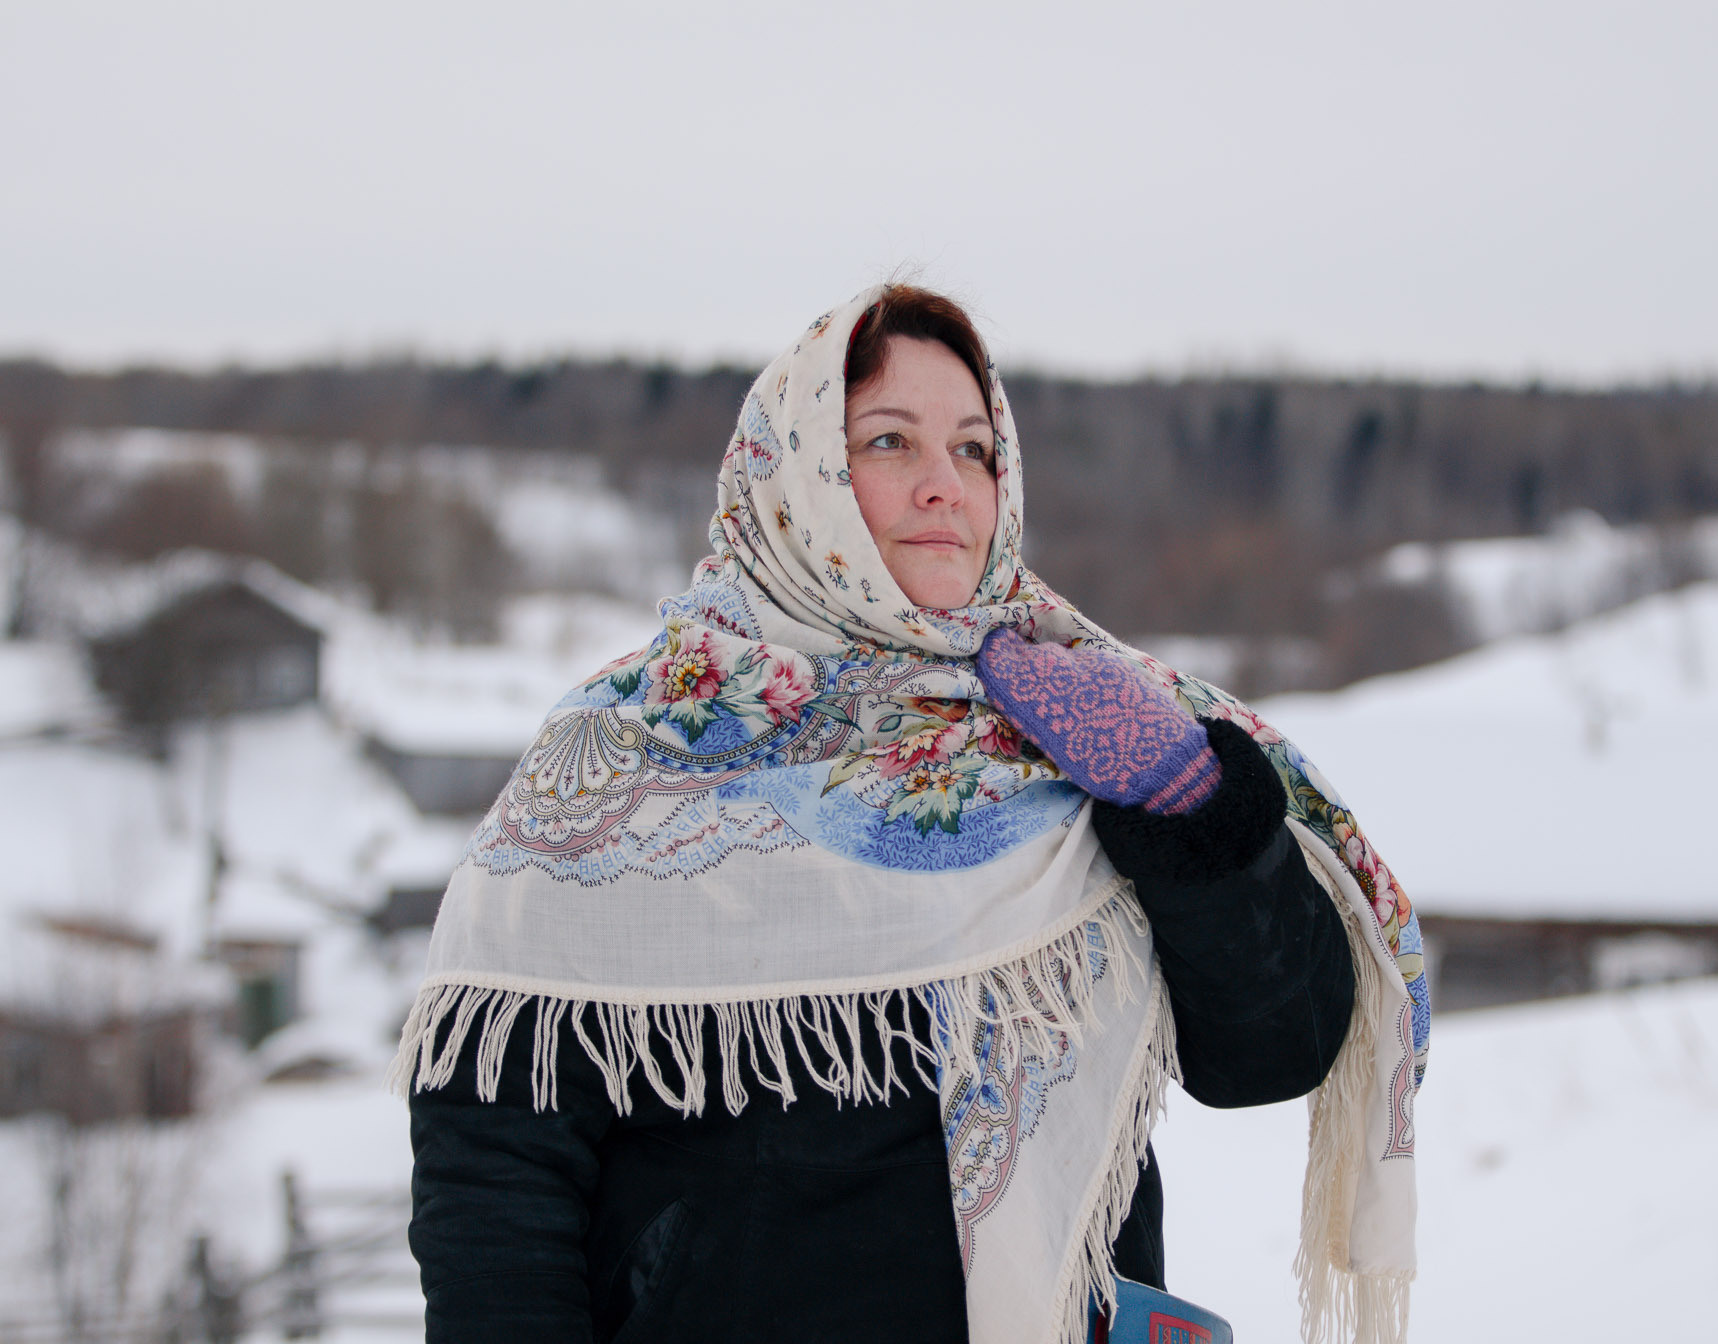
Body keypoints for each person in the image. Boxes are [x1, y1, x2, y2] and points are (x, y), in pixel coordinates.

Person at [399, 284, 1429, 1344]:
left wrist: (1186, 803)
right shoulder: (625, 752)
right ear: (794, 479)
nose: (946, 487)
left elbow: (1274, 1048)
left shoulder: (1066, 722)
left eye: (975, 450)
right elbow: (494, 1171)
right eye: (889, 443)